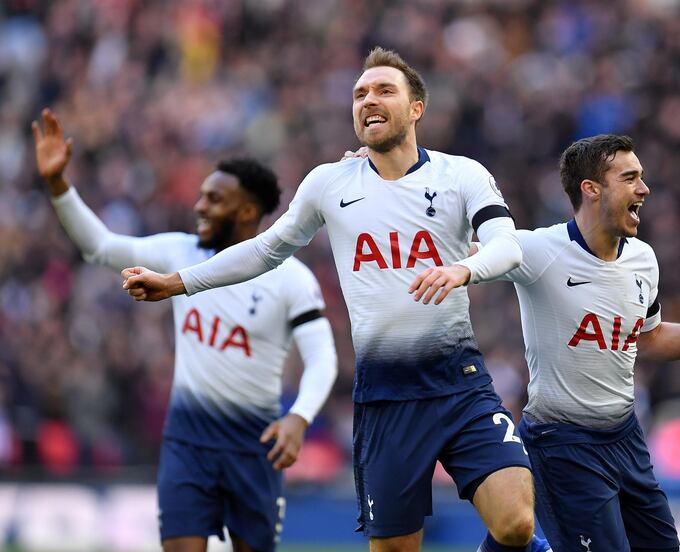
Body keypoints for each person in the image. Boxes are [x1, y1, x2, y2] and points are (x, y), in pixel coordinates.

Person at [118, 47, 548, 552]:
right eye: (360, 93)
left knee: (517, 521)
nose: (369, 100)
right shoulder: (330, 183)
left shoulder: (462, 175)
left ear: (417, 108)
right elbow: (263, 250)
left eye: (385, 90)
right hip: (385, 399)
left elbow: (507, 245)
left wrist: (463, 269)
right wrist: (178, 281)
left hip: (460, 386)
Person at [32, 108, 338, 552]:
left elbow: (323, 356)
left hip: (255, 448)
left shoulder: (290, 278)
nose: (199, 206)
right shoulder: (179, 251)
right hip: (187, 443)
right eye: (202, 196)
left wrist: (299, 416)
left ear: (248, 210)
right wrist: (59, 184)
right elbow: (99, 247)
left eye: (215, 199)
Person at [477, 134, 680, 552]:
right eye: (630, 178)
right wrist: (385, 183)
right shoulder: (539, 250)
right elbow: (464, 251)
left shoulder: (643, 259)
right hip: (563, 443)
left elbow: (650, 339)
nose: (644, 189)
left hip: (625, 438)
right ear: (591, 189)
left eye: (642, 178)